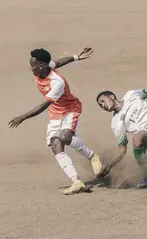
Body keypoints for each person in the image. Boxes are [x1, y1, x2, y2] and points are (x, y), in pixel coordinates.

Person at [8, 47, 103, 195]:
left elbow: (42, 106)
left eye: (33, 65)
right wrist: (76, 57)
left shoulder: (57, 82)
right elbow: (58, 62)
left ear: (41, 65)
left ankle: (92, 156)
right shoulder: (45, 67)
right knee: (55, 144)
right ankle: (76, 182)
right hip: (55, 113)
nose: (30, 68)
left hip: (70, 109)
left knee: (65, 137)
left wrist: (22, 117)